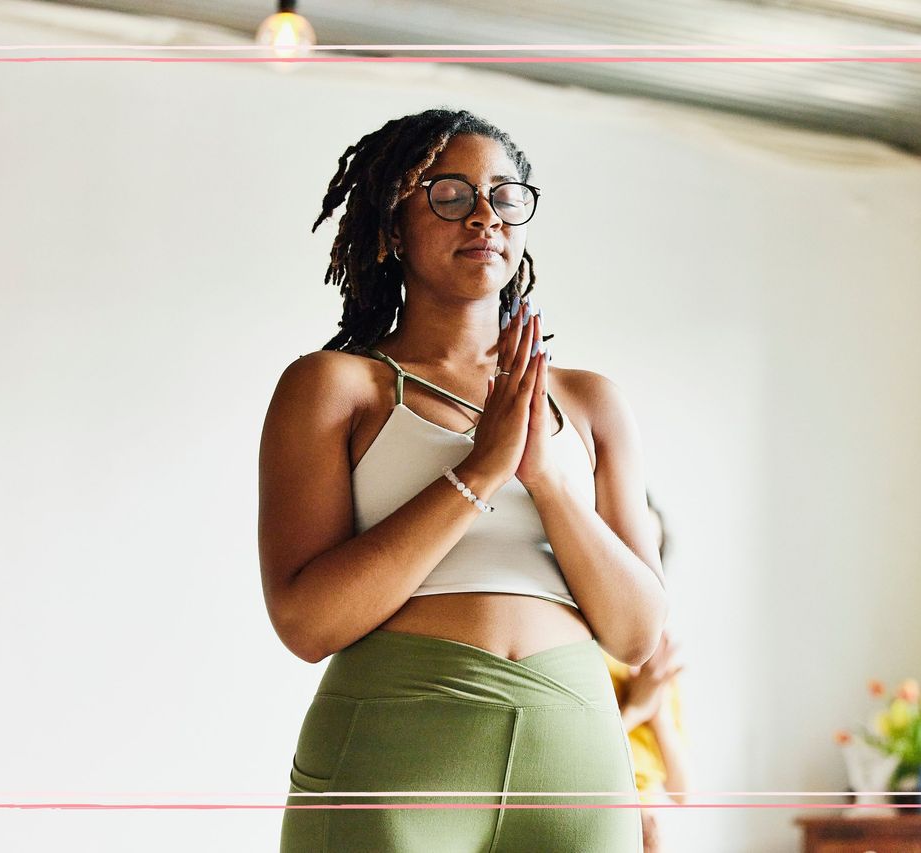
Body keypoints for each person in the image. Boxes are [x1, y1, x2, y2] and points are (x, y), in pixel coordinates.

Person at [257, 108, 667, 852]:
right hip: (395, 740)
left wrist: (544, 476)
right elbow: (307, 622)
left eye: (504, 196)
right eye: (449, 194)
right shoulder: (335, 387)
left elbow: (637, 634)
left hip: (571, 746)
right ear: (390, 229)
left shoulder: (590, 401)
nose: (484, 215)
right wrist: (480, 469)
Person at [604, 497, 691, 853]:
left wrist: (656, 710)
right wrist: (636, 709)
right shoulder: (579, 641)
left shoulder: (655, 658)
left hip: (646, 819)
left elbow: (682, 789)